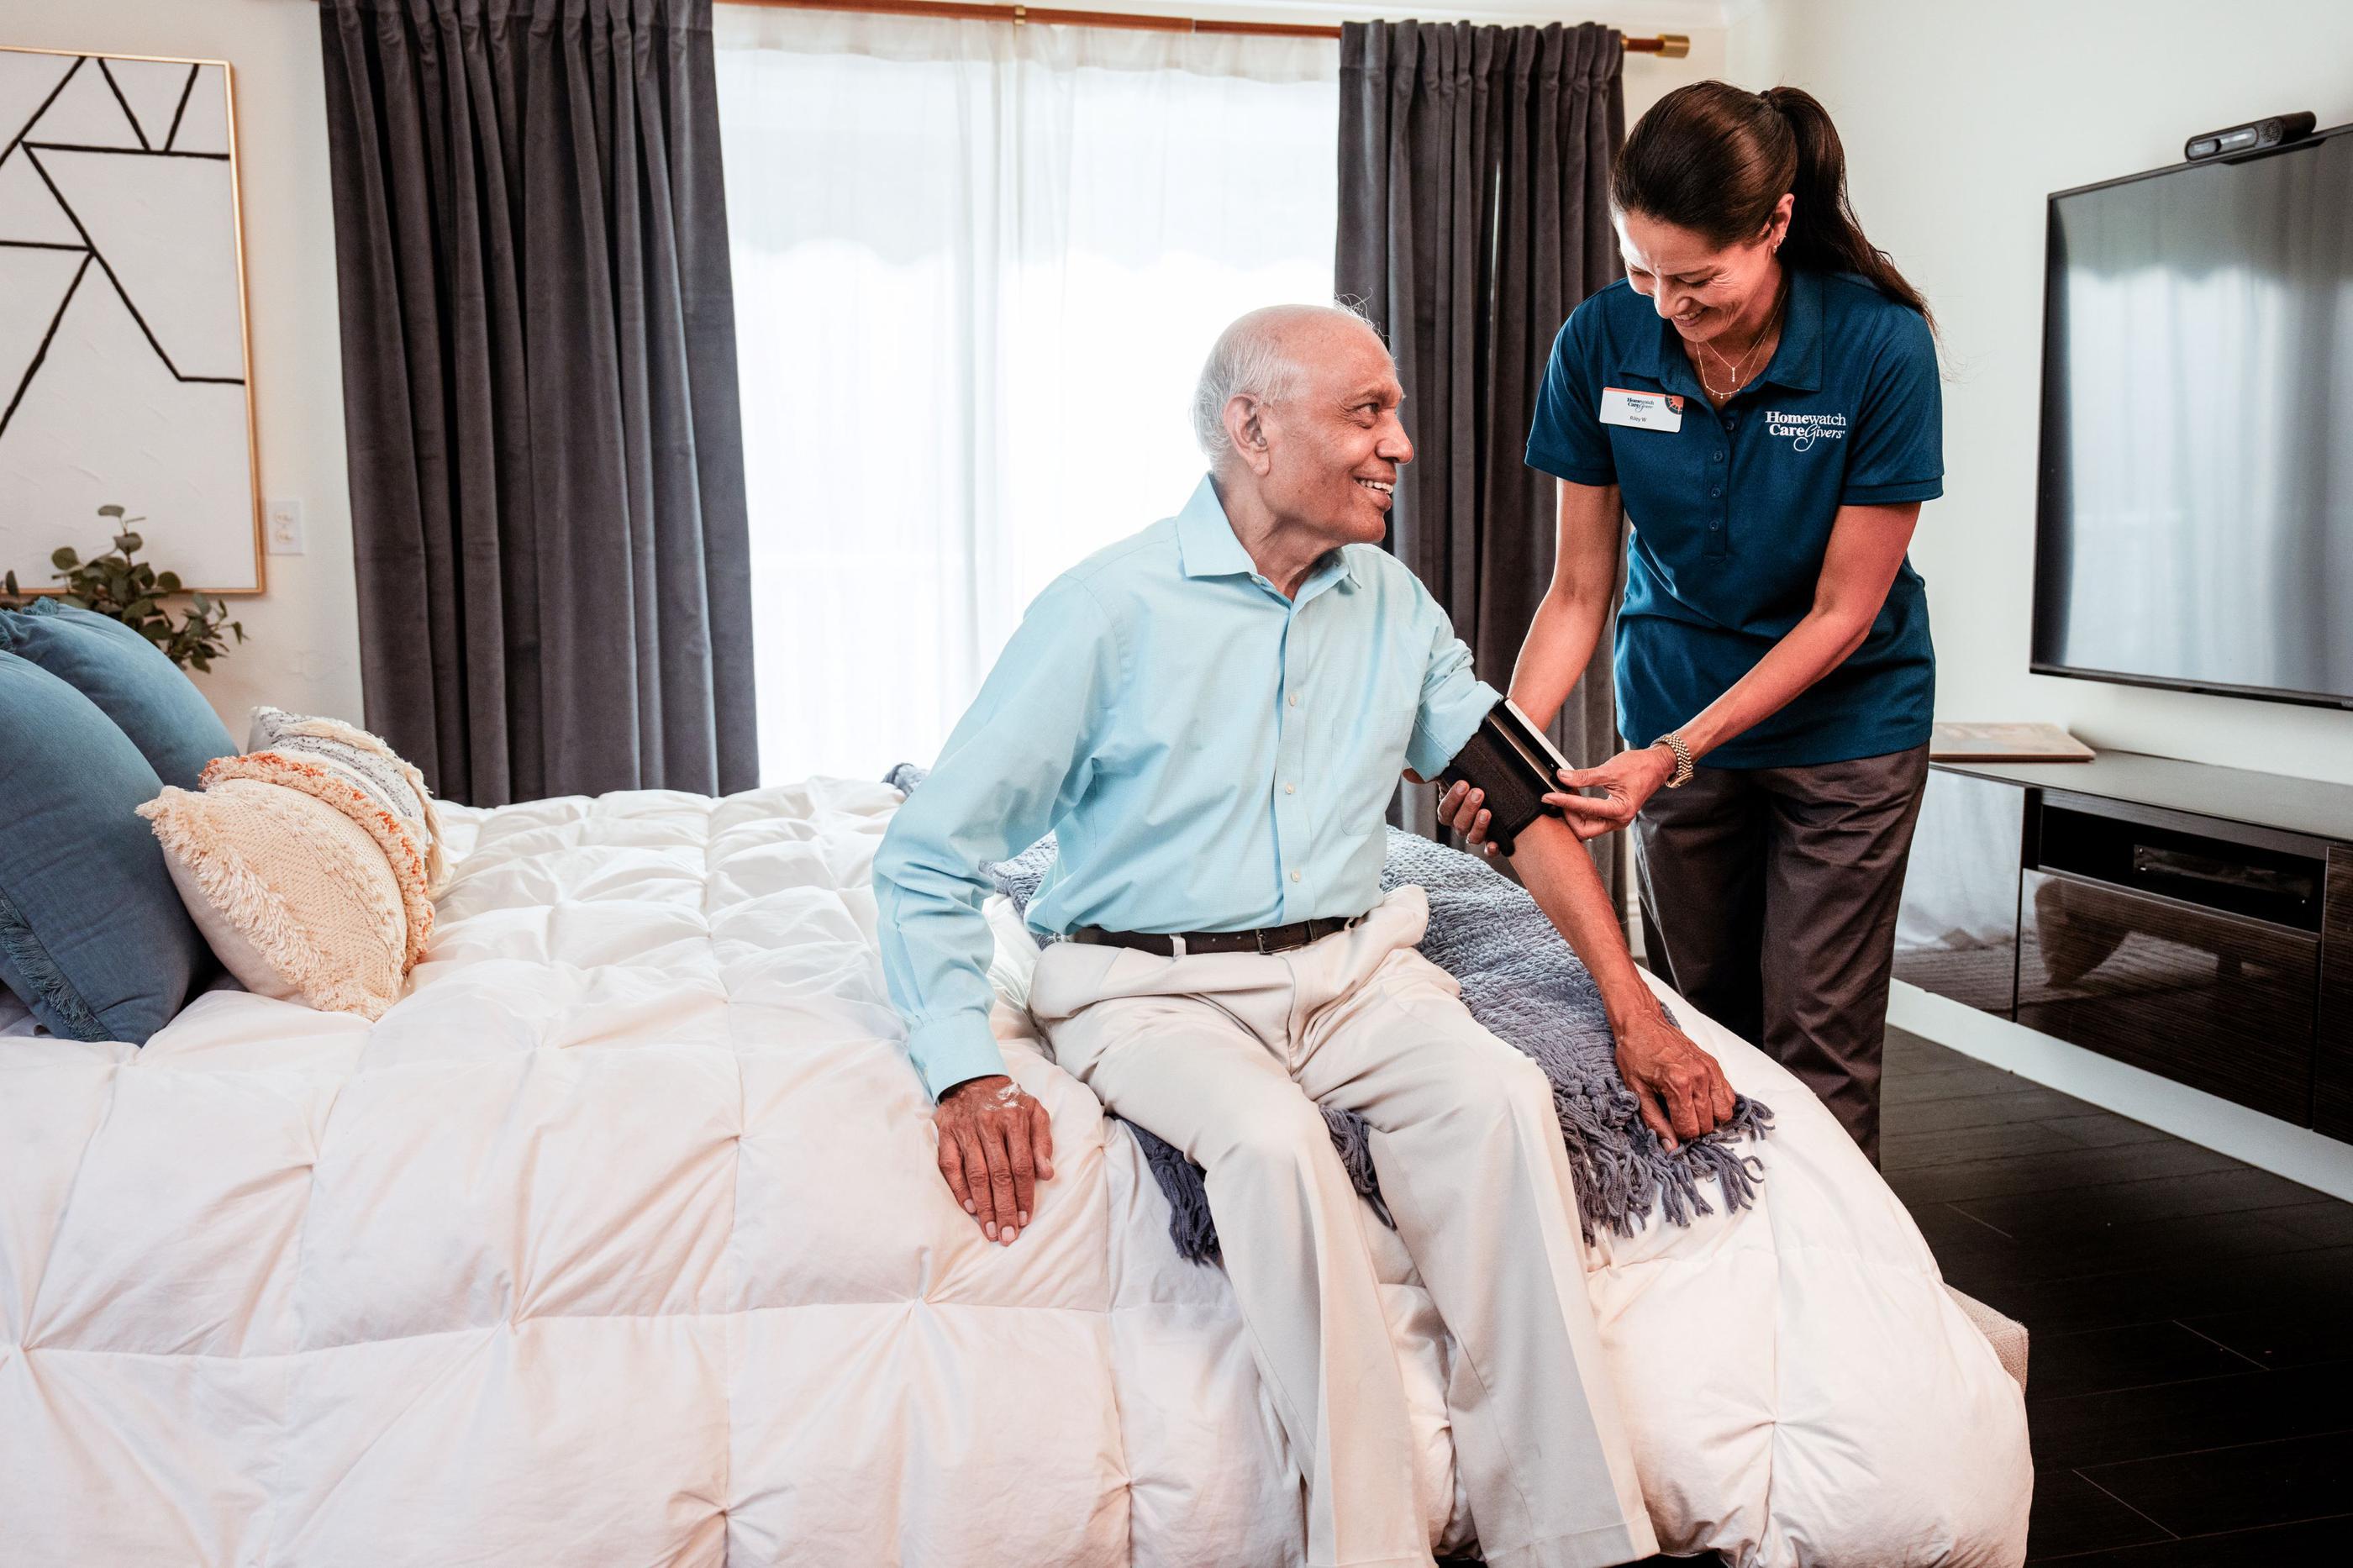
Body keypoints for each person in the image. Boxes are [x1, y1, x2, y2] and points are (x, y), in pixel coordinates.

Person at [874, 303, 1740, 1568]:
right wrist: (962, 1060)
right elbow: (929, 851)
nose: (1401, 443)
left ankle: (1579, 1542)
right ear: (1252, 428)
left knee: (1500, 1100)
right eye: (1368, 412)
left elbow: (1523, 799)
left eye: (1395, 411)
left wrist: (1634, 1006)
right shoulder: (1105, 610)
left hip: (1352, 972)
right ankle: (1369, 1547)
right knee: (1274, 1150)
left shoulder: (1391, 605)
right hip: (1144, 987)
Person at [1440, 82, 1942, 1166]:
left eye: (1698, 280)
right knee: (1695, 1015)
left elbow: (1844, 612)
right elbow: (1580, 588)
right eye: (1639, 268)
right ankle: (1717, 1261)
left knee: (1817, 1037)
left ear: (1775, 227)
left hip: (1844, 728)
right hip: (1670, 706)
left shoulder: (1880, 347)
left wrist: (1670, 754)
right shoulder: (1601, 342)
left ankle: (1837, 1297)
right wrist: (1504, 749)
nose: (1664, 306)